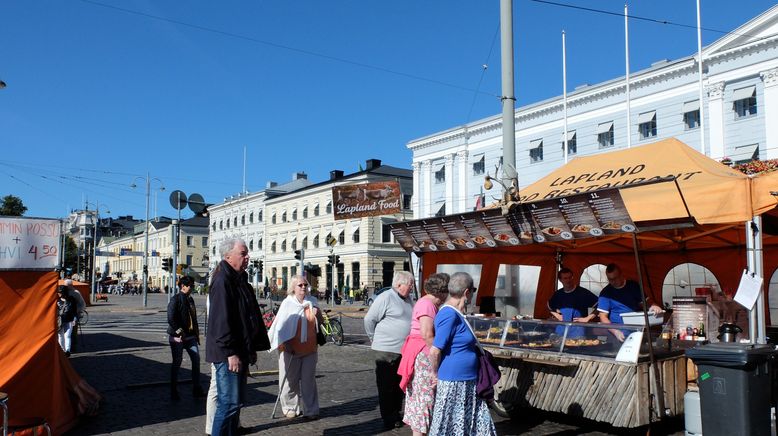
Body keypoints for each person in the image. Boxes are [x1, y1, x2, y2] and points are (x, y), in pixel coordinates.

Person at [206, 238, 270, 436]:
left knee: (236, 404)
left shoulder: (239, 279)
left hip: (240, 350)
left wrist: (251, 348)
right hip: (227, 353)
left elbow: (247, 317)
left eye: (247, 253)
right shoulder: (222, 280)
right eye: (243, 253)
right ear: (228, 256)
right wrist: (231, 353)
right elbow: (221, 322)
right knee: (228, 403)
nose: (247, 257)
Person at [428, 272, 496, 435]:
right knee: (450, 425)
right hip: (454, 381)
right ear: (467, 292)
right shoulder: (448, 314)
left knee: (473, 425)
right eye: (473, 290)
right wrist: (434, 375)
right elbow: (435, 350)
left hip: (467, 380)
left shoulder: (457, 314)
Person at [398, 273, 449, 436]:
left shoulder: (426, 304)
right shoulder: (427, 304)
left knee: (420, 399)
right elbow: (427, 334)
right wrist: (435, 360)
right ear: (442, 291)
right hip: (423, 354)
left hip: (419, 352)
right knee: (424, 399)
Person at [267, 275, 323, 419]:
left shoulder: (312, 302)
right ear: (293, 288)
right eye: (300, 285)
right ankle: (290, 407)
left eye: (305, 285)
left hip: (309, 349)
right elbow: (280, 327)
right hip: (290, 349)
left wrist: (318, 314)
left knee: (308, 381)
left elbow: (320, 324)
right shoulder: (288, 303)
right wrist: (286, 344)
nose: (303, 287)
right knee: (289, 381)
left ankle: (311, 409)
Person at [364, 270, 414, 429]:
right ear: (399, 285)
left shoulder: (409, 300)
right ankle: (388, 417)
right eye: (410, 284)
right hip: (386, 350)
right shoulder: (386, 297)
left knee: (400, 384)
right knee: (386, 385)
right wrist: (373, 338)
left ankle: (397, 413)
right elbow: (369, 319)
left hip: (404, 351)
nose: (412, 287)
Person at [593, 263, 663, 341]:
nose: (613, 282)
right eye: (610, 279)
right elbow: (603, 317)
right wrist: (615, 331)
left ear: (621, 275)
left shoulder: (633, 286)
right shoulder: (605, 293)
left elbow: (646, 301)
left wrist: (653, 306)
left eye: (615, 278)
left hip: (636, 331)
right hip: (617, 334)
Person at [167, 275, 206, 401]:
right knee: (177, 363)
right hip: (177, 337)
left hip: (190, 337)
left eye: (193, 285)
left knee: (196, 360)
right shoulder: (175, 299)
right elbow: (170, 318)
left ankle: (197, 388)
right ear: (183, 286)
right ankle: (174, 390)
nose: (192, 287)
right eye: (190, 285)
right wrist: (179, 331)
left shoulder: (190, 300)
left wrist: (195, 333)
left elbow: (193, 318)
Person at [547, 267, 598, 337]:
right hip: (561, 331)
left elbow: (600, 305)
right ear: (560, 280)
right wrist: (557, 315)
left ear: (572, 278)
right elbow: (549, 306)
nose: (568, 280)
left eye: (570, 277)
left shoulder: (583, 293)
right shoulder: (558, 294)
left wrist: (587, 318)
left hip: (578, 331)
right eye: (565, 278)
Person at [56, 286, 77, 356]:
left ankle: (67, 351)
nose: (59, 294)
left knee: (67, 335)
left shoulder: (71, 299)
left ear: (64, 293)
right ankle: (62, 351)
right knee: (60, 336)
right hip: (60, 321)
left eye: (60, 293)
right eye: (58, 292)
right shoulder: (57, 300)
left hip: (69, 320)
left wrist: (75, 319)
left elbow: (74, 310)